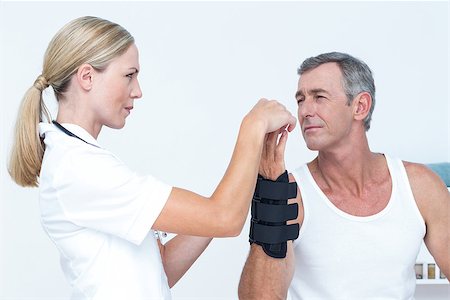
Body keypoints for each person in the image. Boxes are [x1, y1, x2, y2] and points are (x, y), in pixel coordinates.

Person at [8, 16, 296, 300]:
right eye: (129, 75)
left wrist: (220, 204)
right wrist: (253, 126)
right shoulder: (79, 168)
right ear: (87, 77)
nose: (138, 90)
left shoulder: (79, 160)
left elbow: (162, 270)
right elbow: (225, 218)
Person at [238, 52, 449, 299]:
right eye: (300, 99)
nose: (305, 110)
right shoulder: (290, 194)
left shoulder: (420, 186)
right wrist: (272, 194)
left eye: (319, 97)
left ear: (360, 106)